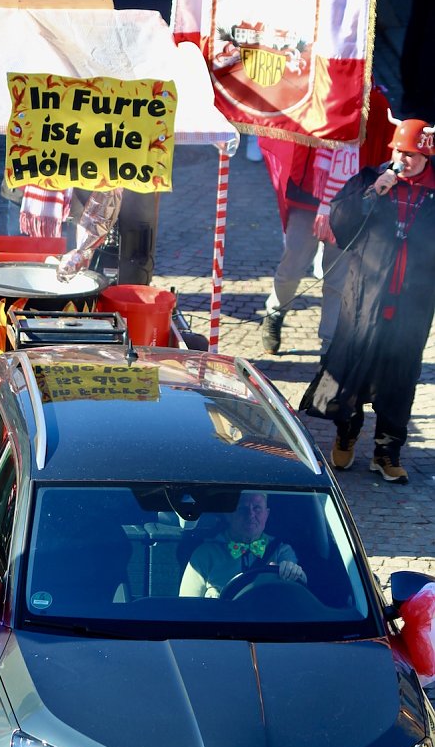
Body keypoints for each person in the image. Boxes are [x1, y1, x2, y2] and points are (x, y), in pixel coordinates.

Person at [299, 119, 435, 485]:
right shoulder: (370, 179)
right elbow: (341, 224)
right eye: (398, 152)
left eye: (410, 154)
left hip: (413, 304)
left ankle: (386, 452)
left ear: (426, 156)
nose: (402, 159)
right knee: (352, 366)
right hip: (364, 297)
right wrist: (373, 192)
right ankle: (347, 433)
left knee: (400, 377)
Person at [259, 84, 395, 355]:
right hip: (308, 196)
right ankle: (275, 312)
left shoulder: (376, 101)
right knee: (293, 264)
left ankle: (330, 344)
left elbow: (384, 150)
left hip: (349, 201)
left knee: (338, 277)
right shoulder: (312, 90)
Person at [179, 491, 306, 598]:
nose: (250, 514)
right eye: (242, 509)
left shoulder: (281, 550)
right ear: (228, 515)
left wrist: (293, 571)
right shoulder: (205, 554)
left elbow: (299, 588)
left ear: (266, 514)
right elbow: (187, 606)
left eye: (257, 508)